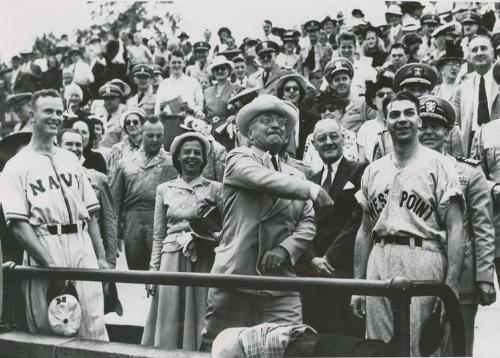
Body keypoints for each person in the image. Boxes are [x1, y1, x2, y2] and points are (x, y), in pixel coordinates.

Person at [200, 95, 334, 350]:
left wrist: (286, 249)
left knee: (292, 344)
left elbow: (307, 222)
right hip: (237, 274)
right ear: (250, 131)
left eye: (281, 122)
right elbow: (263, 179)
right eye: (266, 120)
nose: (276, 125)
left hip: (280, 280)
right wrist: (312, 189)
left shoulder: (295, 173)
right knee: (220, 347)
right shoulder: (238, 158)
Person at [350, 91, 465, 356]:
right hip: (378, 259)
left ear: (419, 121)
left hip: (423, 255)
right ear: (386, 122)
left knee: (419, 348)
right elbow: (365, 231)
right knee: (378, 348)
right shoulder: (373, 170)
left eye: (409, 113)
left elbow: (456, 228)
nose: (402, 119)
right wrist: (358, 286)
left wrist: (451, 287)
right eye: (395, 114)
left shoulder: (439, 165)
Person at [0, 89, 108, 340]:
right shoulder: (16, 165)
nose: (55, 117)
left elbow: (91, 215)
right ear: (32, 113)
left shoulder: (71, 159)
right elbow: (18, 224)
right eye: (48, 111)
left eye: (59, 112)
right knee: (52, 325)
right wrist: (52, 266)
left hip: (81, 244)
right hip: (44, 244)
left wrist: (102, 258)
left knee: (93, 324)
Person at [417, 95, 496, 356]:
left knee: (456, 347)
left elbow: (483, 228)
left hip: (461, 274)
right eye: (423, 124)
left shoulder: (469, 173)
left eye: (436, 126)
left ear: (447, 131)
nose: (429, 131)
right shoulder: (404, 169)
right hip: (417, 269)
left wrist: (484, 277)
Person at [141, 132, 222, 350]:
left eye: (197, 153)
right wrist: (153, 271)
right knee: (169, 312)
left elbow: (224, 228)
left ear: (204, 159)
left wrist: (210, 237)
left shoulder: (215, 189)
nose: (192, 157)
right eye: (186, 152)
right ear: (178, 157)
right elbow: (158, 234)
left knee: (200, 310)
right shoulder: (164, 189)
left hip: (202, 256)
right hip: (171, 257)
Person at [299, 119, 367, 338]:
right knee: (316, 337)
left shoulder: (359, 171)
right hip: (313, 273)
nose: (328, 142)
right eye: (322, 139)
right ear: (314, 145)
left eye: (333, 136)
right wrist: (312, 258)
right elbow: (302, 222)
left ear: (343, 139)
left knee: (347, 338)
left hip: (344, 269)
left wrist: (329, 258)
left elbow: (358, 220)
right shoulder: (312, 180)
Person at [111, 115, 176, 271]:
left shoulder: (172, 162)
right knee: (136, 271)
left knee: (161, 270)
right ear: (141, 133)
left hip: (160, 221)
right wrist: (114, 234)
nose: (154, 139)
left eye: (159, 136)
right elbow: (115, 202)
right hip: (132, 223)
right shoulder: (125, 163)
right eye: (150, 135)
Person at [57, 128, 117, 268]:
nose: (75, 148)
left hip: (93, 250)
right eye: (69, 144)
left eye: (78, 144)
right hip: (60, 249)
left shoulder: (98, 178)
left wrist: (109, 261)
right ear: (58, 147)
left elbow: (109, 223)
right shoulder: (49, 179)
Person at [451, 35, 500, 157]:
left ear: (492, 53)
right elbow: (455, 126)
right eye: (474, 50)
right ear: (469, 56)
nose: (479, 53)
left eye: (483, 48)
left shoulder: (499, 81)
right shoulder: (461, 89)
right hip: (471, 143)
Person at [303, 93, 358, 172]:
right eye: (323, 110)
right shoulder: (311, 137)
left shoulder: (351, 135)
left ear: (340, 112)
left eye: (331, 108)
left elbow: (353, 161)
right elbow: (307, 165)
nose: (327, 112)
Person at [275, 73, 316, 159]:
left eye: (295, 89)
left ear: (300, 93)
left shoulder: (312, 118)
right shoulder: (277, 118)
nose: (291, 91)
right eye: (287, 89)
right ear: (283, 95)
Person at [204, 55, 241, 149]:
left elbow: (243, 108)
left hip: (227, 130)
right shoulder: (207, 91)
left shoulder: (236, 88)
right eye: (216, 69)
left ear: (228, 70)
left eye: (223, 68)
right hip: (210, 130)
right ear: (213, 72)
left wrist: (235, 116)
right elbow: (204, 111)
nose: (220, 71)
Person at [154, 50, 204, 117]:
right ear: (169, 64)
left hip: (190, 120)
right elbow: (157, 112)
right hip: (169, 122)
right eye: (174, 62)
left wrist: (191, 109)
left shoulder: (193, 82)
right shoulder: (163, 84)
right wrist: (161, 109)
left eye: (179, 62)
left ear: (184, 64)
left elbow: (201, 106)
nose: (177, 65)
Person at [357, 74, 394, 163]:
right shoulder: (366, 128)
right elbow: (362, 162)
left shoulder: (402, 123)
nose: (386, 98)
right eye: (381, 95)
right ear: (373, 100)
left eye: (389, 95)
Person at [107, 108, 146, 181]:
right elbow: (113, 175)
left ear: (142, 125)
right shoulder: (117, 149)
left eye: (135, 122)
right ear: (125, 127)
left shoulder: (149, 146)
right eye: (128, 122)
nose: (131, 125)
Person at [302, 20, 333, 89]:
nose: (312, 34)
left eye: (314, 31)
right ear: (307, 33)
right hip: (307, 81)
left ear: (319, 32)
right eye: (310, 32)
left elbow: (329, 68)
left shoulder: (326, 49)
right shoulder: (303, 51)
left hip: (323, 81)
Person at [98, 83, 127, 147]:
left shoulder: (124, 117)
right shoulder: (99, 115)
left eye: (111, 99)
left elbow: (124, 142)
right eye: (106, 99)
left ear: (119, 100)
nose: (108, 102)